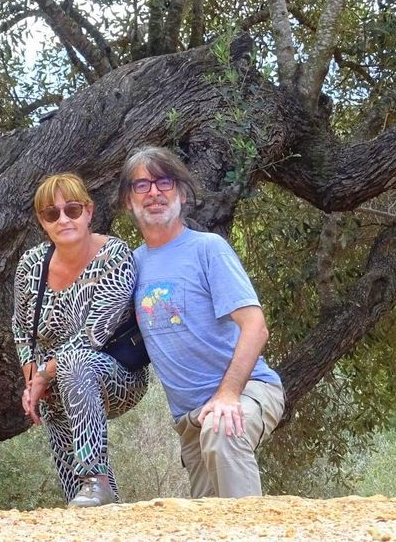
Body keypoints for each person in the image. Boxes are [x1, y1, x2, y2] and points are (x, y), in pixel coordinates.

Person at [119, 146, 285, 498]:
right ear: (127, 201)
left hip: (247, 390)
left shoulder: (208, 249)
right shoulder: (129, 267)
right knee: (207, 520)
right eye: (142, 185)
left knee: (222, 430)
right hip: (190, 419)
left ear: (180, 193)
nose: (154, 193)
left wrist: (228, 394)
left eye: (164, 182)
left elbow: (256, 327)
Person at [11, 173, 148, 508]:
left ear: (88, 211)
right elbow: (21, 329)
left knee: (73, 362)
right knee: (81, 503)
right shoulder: (31, 264)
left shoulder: (113, 256)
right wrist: (32, 380)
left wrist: (42, 376)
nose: (63, 219)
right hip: (56, 383)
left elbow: (93, 334)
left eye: (71, 209)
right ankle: (98, 499)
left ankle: (94, 478)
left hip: (114, 376)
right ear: (42, 221)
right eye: (51, 213)